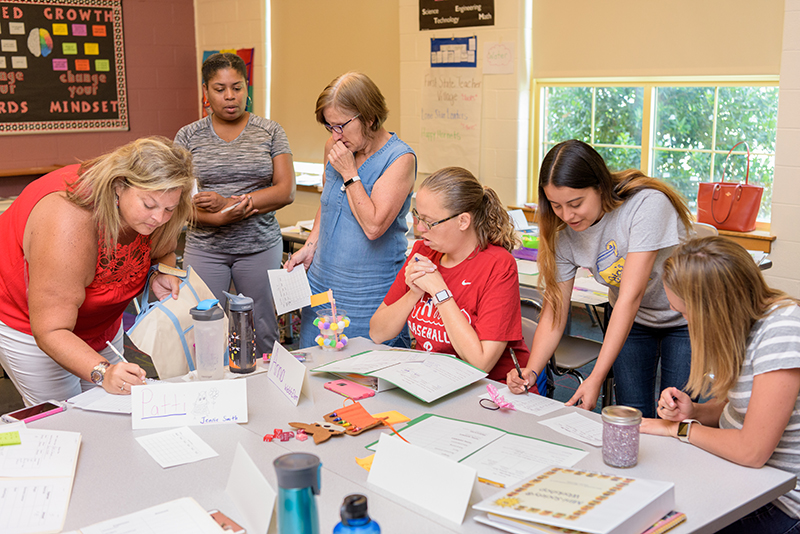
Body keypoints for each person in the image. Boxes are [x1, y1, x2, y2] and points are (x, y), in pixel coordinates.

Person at [0, 137, 194, 406]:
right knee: (66, 417)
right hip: (31, 324)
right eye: (149, 206)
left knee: (113, 408)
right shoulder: (69, 221)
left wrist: (162, 271)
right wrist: (103, 372)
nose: (159, 218)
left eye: (169, 209)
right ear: (118, 187)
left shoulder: (159, 205)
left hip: (99, 321)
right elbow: (51, 330)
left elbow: (164, 251)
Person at [507, 140, 693, 416]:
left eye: (575, 203)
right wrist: (531, 371)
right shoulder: (564, 235)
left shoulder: (646, 205)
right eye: (556, 205)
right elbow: (554, 312)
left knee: (677, 414)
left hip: (685, 319)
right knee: (632, 413)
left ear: (600, 186)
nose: (567, 215)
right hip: (633, 321)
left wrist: (594, 377)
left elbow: (630, 297)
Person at [641, 237, 800, 534]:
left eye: (686, 313)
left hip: (783, 501)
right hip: (745, 479)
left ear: (714, 307)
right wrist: (696, 412)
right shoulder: (743, 326)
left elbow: (752, 450)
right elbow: (741, 408)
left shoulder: (783, 329)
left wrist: (678, 429)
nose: (686, 322)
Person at [175, 52, 295, 358]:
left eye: (238, 87)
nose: (230, 96)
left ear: (247, 88)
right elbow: (176, 202)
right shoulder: (187, 137)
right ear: (205, 92)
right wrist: (214, 220)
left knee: (262, 328)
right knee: (204, 327)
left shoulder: (270, 131)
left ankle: (266, 397)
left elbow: (285, 191)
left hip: (259, 246)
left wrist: (228, 204)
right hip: (205, 248)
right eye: (219, 89)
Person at [284, 72, 416, 348]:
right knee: (316, 369)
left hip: (368, 292)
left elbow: (373, 226)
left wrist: (349, 173)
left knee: (363, 380)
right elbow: (329, 203)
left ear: (369, 117)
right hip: (323, 284)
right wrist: (310, 245)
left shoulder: (399, 159)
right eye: (330, 127)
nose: (335, 136)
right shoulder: (335, 145)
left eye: (341, 126)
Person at [369, 167, 531, 383]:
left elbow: (480, 364)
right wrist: (414, 294)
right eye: (417, 216)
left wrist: (439, 291)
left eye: (429, 221)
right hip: (434, 381)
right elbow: (378, 333)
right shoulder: (423, 251)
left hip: (489, 390)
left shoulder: (498, 265)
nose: (419, 229)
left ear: (463, 221)